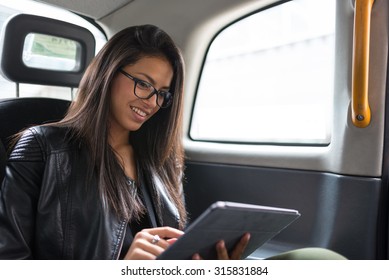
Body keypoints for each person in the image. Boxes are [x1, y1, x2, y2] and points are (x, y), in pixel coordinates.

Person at [0, 24, 345, 261]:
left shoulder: (161, 160)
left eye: (162, 93)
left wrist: (207, 260)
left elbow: (173, 245)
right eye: (142, 83)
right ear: (108, 73)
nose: (151, 102)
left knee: (320, 259)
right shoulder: (43, 148)